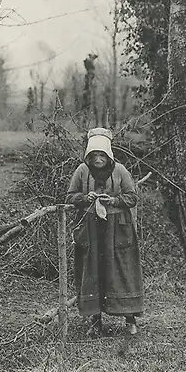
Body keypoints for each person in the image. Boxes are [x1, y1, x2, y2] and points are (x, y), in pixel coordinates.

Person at [66, 128, 144, 336]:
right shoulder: (82, 171)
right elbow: (70, 196)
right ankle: (95, 320)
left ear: (109, 155)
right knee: (92, 271)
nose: (98, 159)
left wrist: (115, 201)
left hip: (117, 228)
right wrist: (85, 198)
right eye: (94, 155)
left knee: (122, 271)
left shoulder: (120, 171)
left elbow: (132, 197)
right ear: (88, 156)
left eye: (102, 155)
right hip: (91, 228)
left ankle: (130, 319)